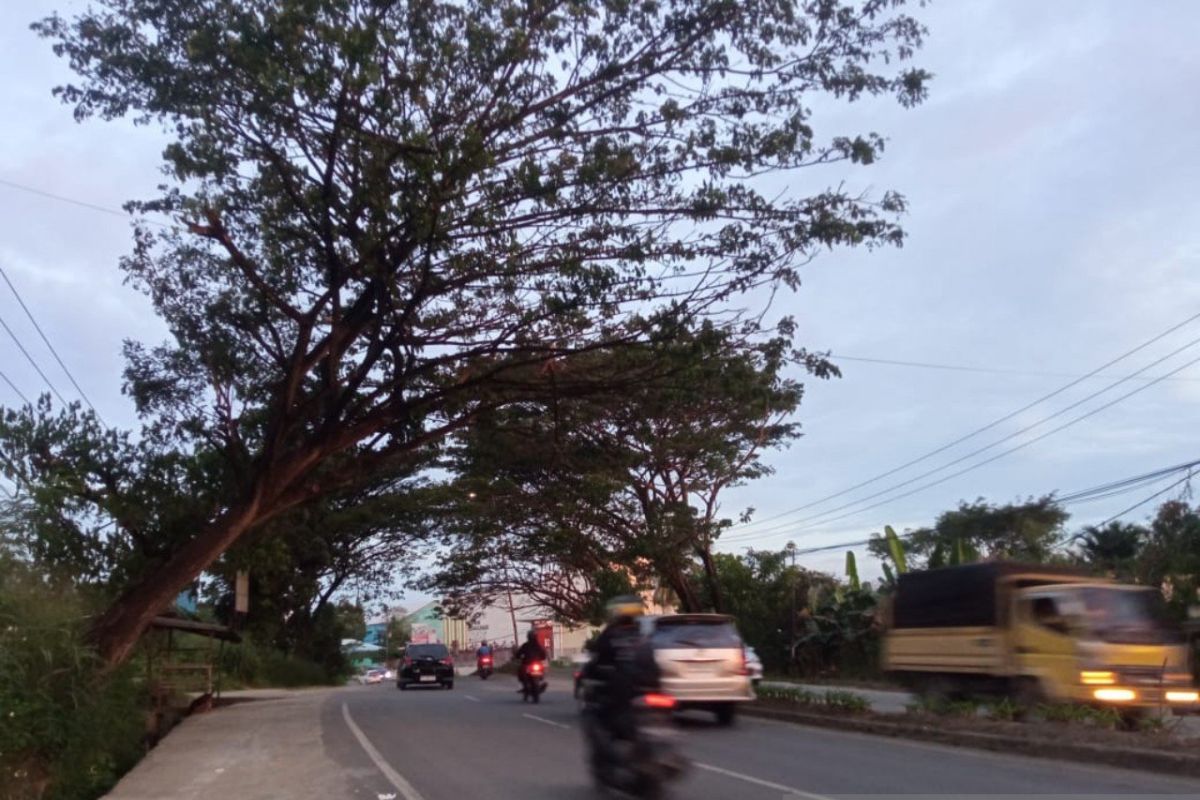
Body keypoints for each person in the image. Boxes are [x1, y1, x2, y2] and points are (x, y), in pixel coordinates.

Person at [582, 595, 660, 743]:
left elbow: (596, 660)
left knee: (600, 714)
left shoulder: (610, 635)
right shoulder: (642, 635)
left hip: (625, 694)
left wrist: (590, 673)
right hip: (649, 689)